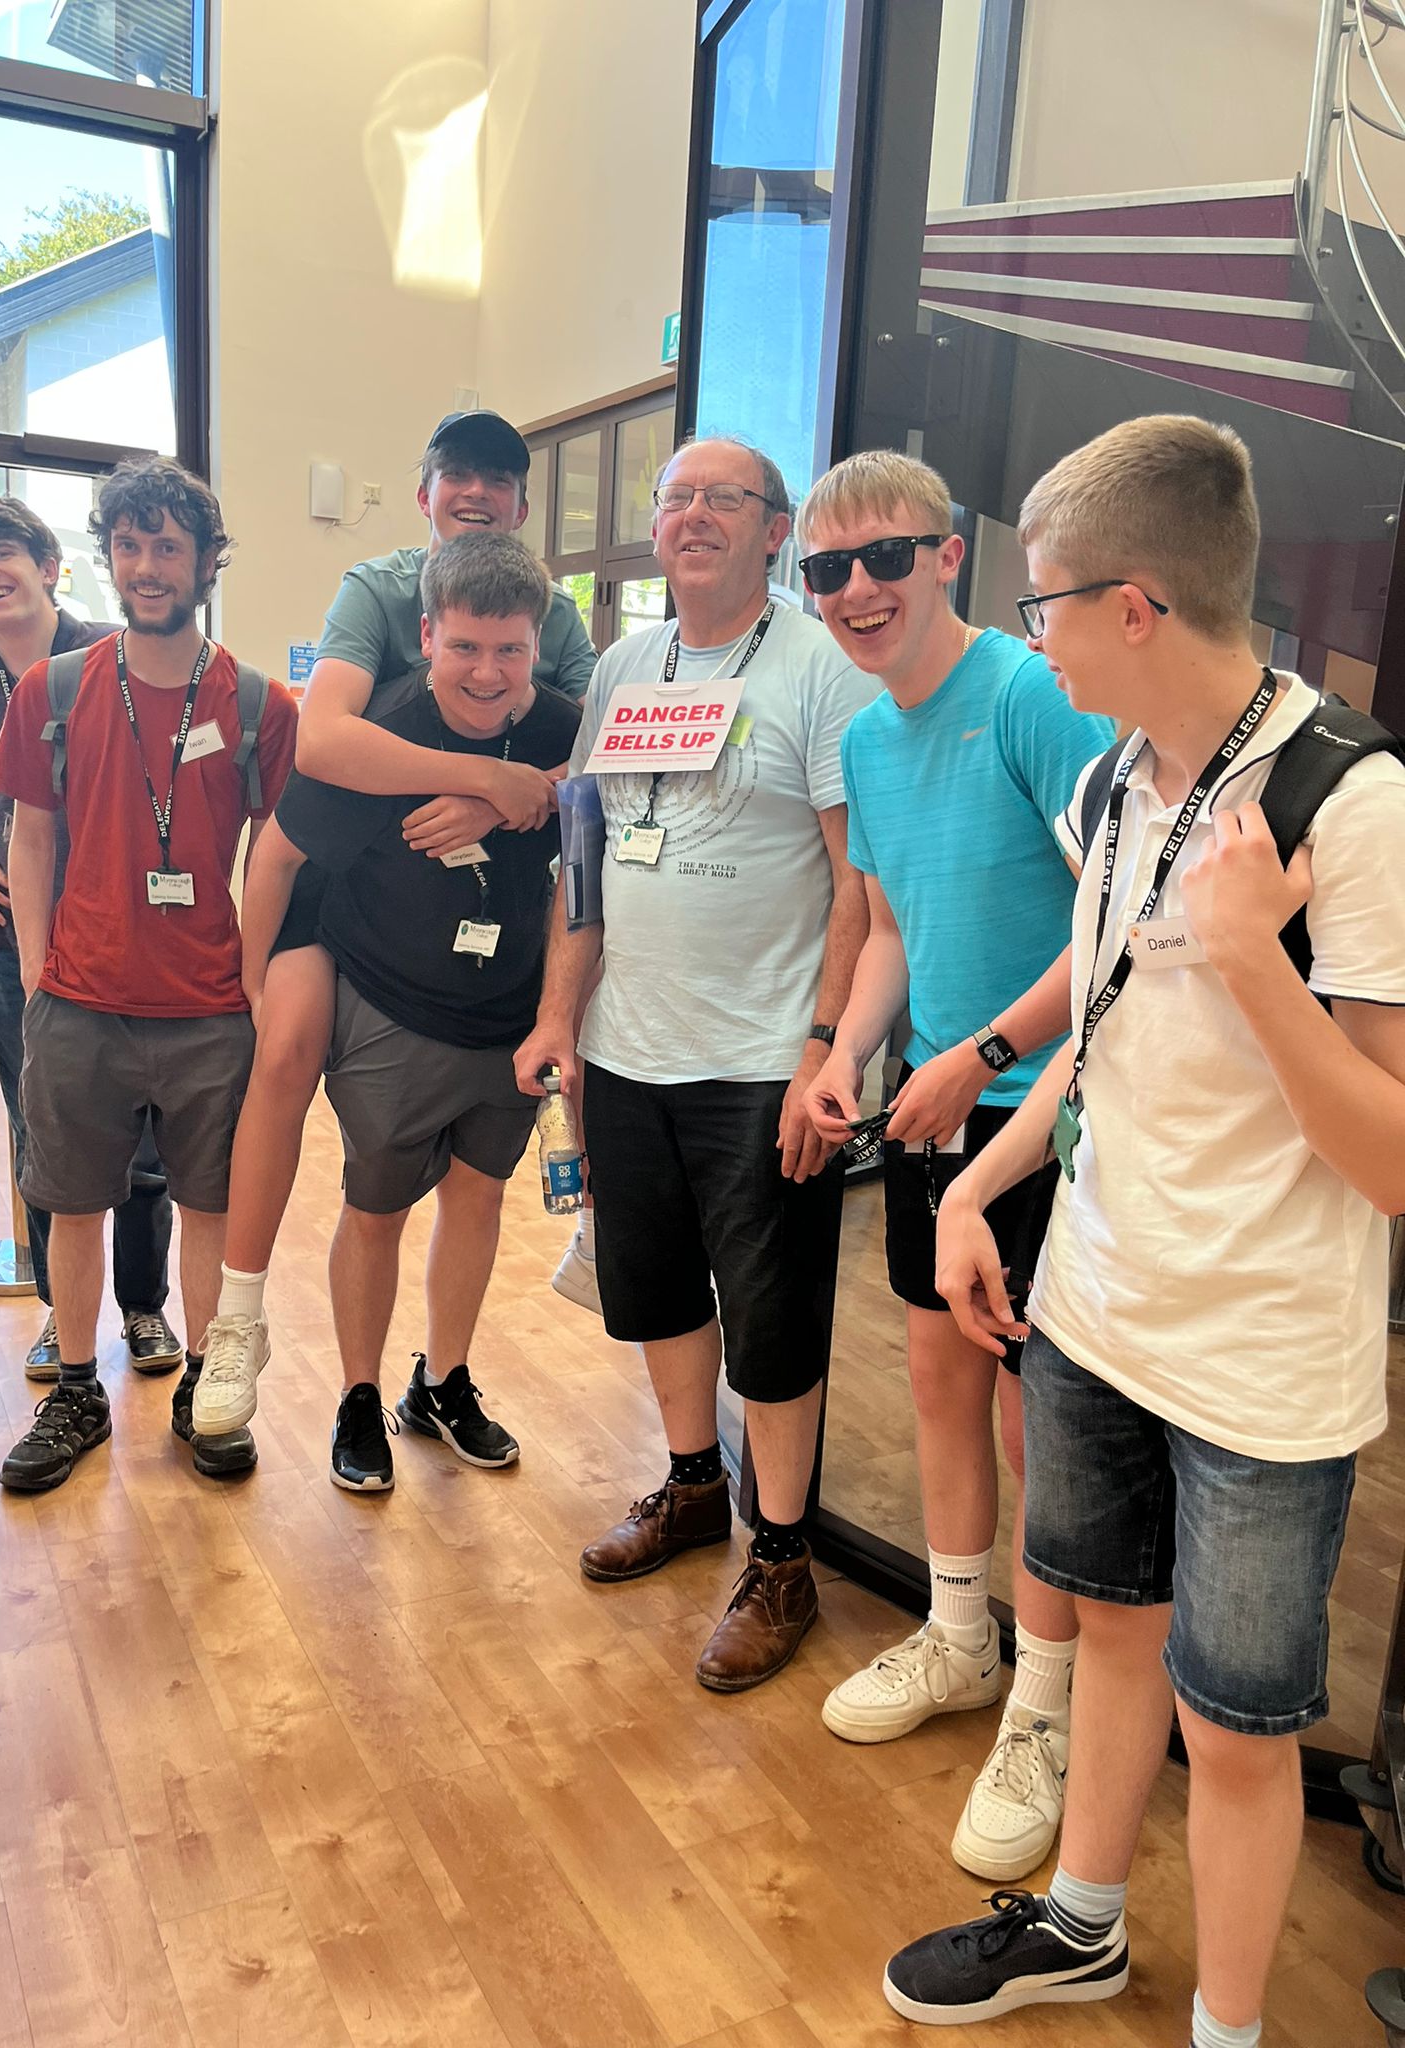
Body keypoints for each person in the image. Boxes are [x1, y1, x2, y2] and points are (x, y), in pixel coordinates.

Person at [882, 416, 1405, 2048]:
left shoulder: (1353, 796)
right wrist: (978, 1179)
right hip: (1097, 1301)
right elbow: (1102, 1031)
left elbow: (1391, 1156)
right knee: (1108, 1630)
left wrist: (1256, 954)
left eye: (1041, 603)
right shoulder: (1120, 777)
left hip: (1260, 1360)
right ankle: (1082, 1925)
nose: (1024, 636)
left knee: (1235, 1726)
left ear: (1133, 605)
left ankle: (1227, 2029)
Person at [515, 434, 878, 1692]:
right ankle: (691, 1489)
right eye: (676, 498)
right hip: (628, 1050)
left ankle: (783, 1558)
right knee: (655, 1291)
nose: (696, 516)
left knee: (771, 1325)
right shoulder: (622, 662)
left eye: (727, 498)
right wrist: (561, 1016)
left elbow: (857, 885)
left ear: (777, 531)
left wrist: (823, 1050)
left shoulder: (824, 668)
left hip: (761, 1059)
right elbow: (586, 861)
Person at [798, 450, 1114, 1880]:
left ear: (947, 562)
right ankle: (962, 1637)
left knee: (1033, 1410)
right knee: (935, 1374)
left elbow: (1114, 928)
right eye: (828, 570)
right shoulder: (868, 739)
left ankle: (1046, 1709)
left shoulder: (1032, 698)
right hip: (935, 1112)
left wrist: (977, 1058)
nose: (856, 590)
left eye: (884, 558)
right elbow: (891, 929)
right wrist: (843, 1056)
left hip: (1047, 1110)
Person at [194, 411, 595, 1424]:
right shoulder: (378, 602)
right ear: (428, 633)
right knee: (304, 1093)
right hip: (368, 959)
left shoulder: (559, 668)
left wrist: (521, 787)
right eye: (465, 645)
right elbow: (307, 786)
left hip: (499, 997)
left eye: (509, 648)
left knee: (477, 1194)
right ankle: (287, 1348)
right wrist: (250, 976)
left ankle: (444, 1381)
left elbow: (601, 779)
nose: (489, 666)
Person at [0, 456, 296, 1492]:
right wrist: (36, 971)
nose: (148, 564)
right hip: (79, 1001)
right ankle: (75, 1388)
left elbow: (281, 850)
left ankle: (205, 1384)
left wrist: (254, 981)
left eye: (170, 545)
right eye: (130, 544)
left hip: (210, 1013)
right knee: (73, 1203)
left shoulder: (256, 704)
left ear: (208, 560)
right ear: (108, 555)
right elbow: (30, 839)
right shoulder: (55, 688)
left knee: (210, 1208)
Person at [0, 495, 179, 1381]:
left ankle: (145, 1308)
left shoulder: (110, 664)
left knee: (146, 1138)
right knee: (45, 1135)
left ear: (49, 564)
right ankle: (59, 1312)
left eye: (2, 551)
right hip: (13, 947)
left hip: (122, 937)